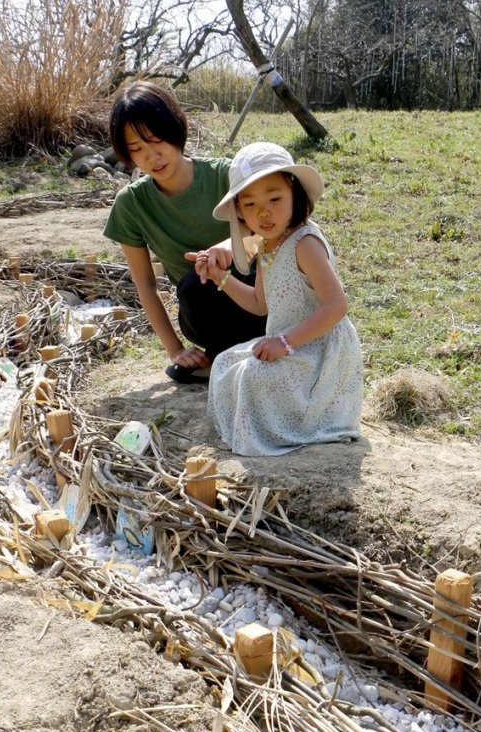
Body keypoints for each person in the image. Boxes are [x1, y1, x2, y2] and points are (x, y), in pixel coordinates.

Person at [202, 142, 363, 457]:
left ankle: (293, 427)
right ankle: (257, 428)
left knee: (252, 375)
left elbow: (337, 306)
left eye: (274, 199)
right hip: (288, 346)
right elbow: (260, 304)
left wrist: (284, 343)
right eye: (249, 204)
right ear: (239, 210)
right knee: (224, 363)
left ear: (294, 194)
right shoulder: (267, 246)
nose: (263, 212)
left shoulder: (305, 243)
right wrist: (220, 278)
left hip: (319, 353)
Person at [103, 81, 263, 383]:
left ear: (176, 130)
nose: (152, 156)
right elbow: (146, 284)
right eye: (137, 149)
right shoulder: (131, 204)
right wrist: (175, 350)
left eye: (157, 140)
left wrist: (229, 247)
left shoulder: (224, 176)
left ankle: (246, 353)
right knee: (195, 282)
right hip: (203, 311)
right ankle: (227, 355)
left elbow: (267, 232)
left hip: (261, 297)